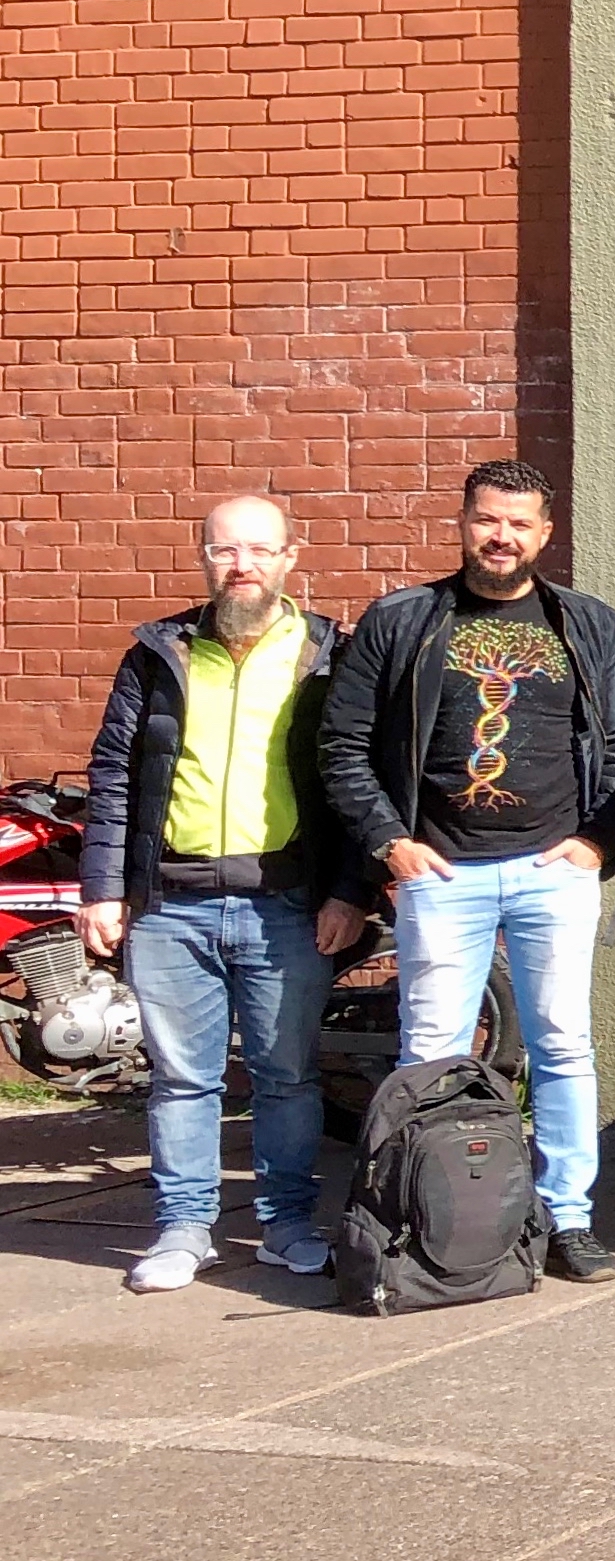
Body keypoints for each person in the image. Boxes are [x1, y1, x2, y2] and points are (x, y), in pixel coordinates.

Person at [320, 458, 615, 1285]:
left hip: (553, 867)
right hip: (443, 871)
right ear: (462, 523)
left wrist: (601, 841)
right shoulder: (404, 620)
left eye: (518, 522)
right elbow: (343, 744)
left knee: (562, 1043)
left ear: (545, 533)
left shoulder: (586, 623)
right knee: (429, 1051)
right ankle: (424, 1218)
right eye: (486, 519)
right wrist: (390, 842)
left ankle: (567, 1214)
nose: (501, 536)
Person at [82, 496, 371, 1293]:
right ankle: (183, 1227)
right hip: (170, 904)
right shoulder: (157, 654)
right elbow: (114, 777)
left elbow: (357, 782)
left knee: (286, 1075)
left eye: (258, 549)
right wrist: (105, 887)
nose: (241, 564)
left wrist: (350, 890)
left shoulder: (328, 657)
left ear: (289, 558)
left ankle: (286, 1222)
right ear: (204, 558)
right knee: (181, 1077)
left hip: (287, 901)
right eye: (224, 550)